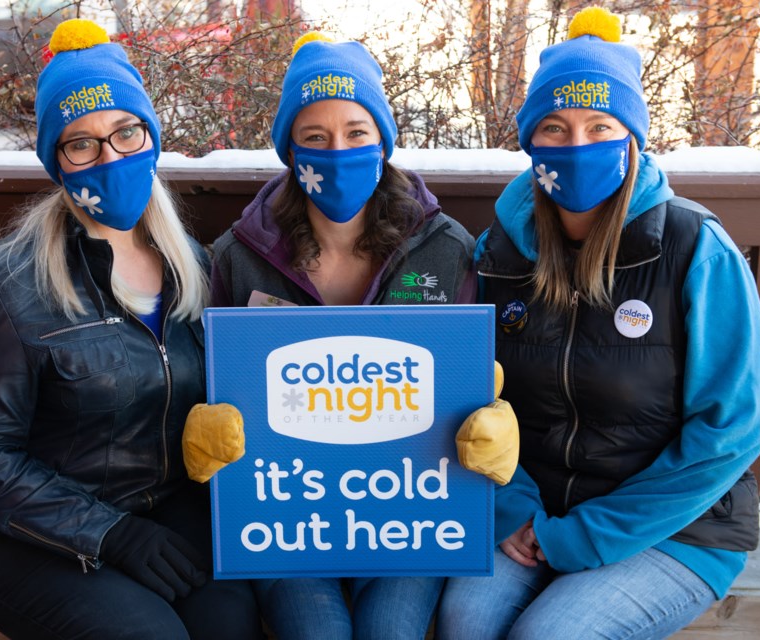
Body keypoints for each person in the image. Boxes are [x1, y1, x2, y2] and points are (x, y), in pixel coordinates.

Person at [436, 7, 760, 639]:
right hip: (532, 512)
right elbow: (472, 398)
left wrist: (587, 535)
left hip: (675, 527)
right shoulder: (499, 252)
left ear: (633, 137)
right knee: (463, 622)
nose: (577, 146)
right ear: (531, 143)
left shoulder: (695, 248)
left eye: (599, 126)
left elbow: (732, 430)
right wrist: (512, 509)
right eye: (554, 129)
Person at [182, 32, 518, 640]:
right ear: (290, 147)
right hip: (285, 515)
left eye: (356, 133)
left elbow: (476, 382)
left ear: (383, 141)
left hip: (409, 515)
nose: (337, 151)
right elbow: (205, 377)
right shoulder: (238, 257)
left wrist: (494, 418)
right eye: (315, 137)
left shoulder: (444, 249)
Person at [0, 18, 262, 640]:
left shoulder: (191, 262)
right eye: (80, 143)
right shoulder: (6, 285)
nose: (109, 157)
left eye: (124, 133)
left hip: (158, 508)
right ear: (57, 161)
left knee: (231, 620)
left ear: (151, 136)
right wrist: (108, 533)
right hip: (19, 531)